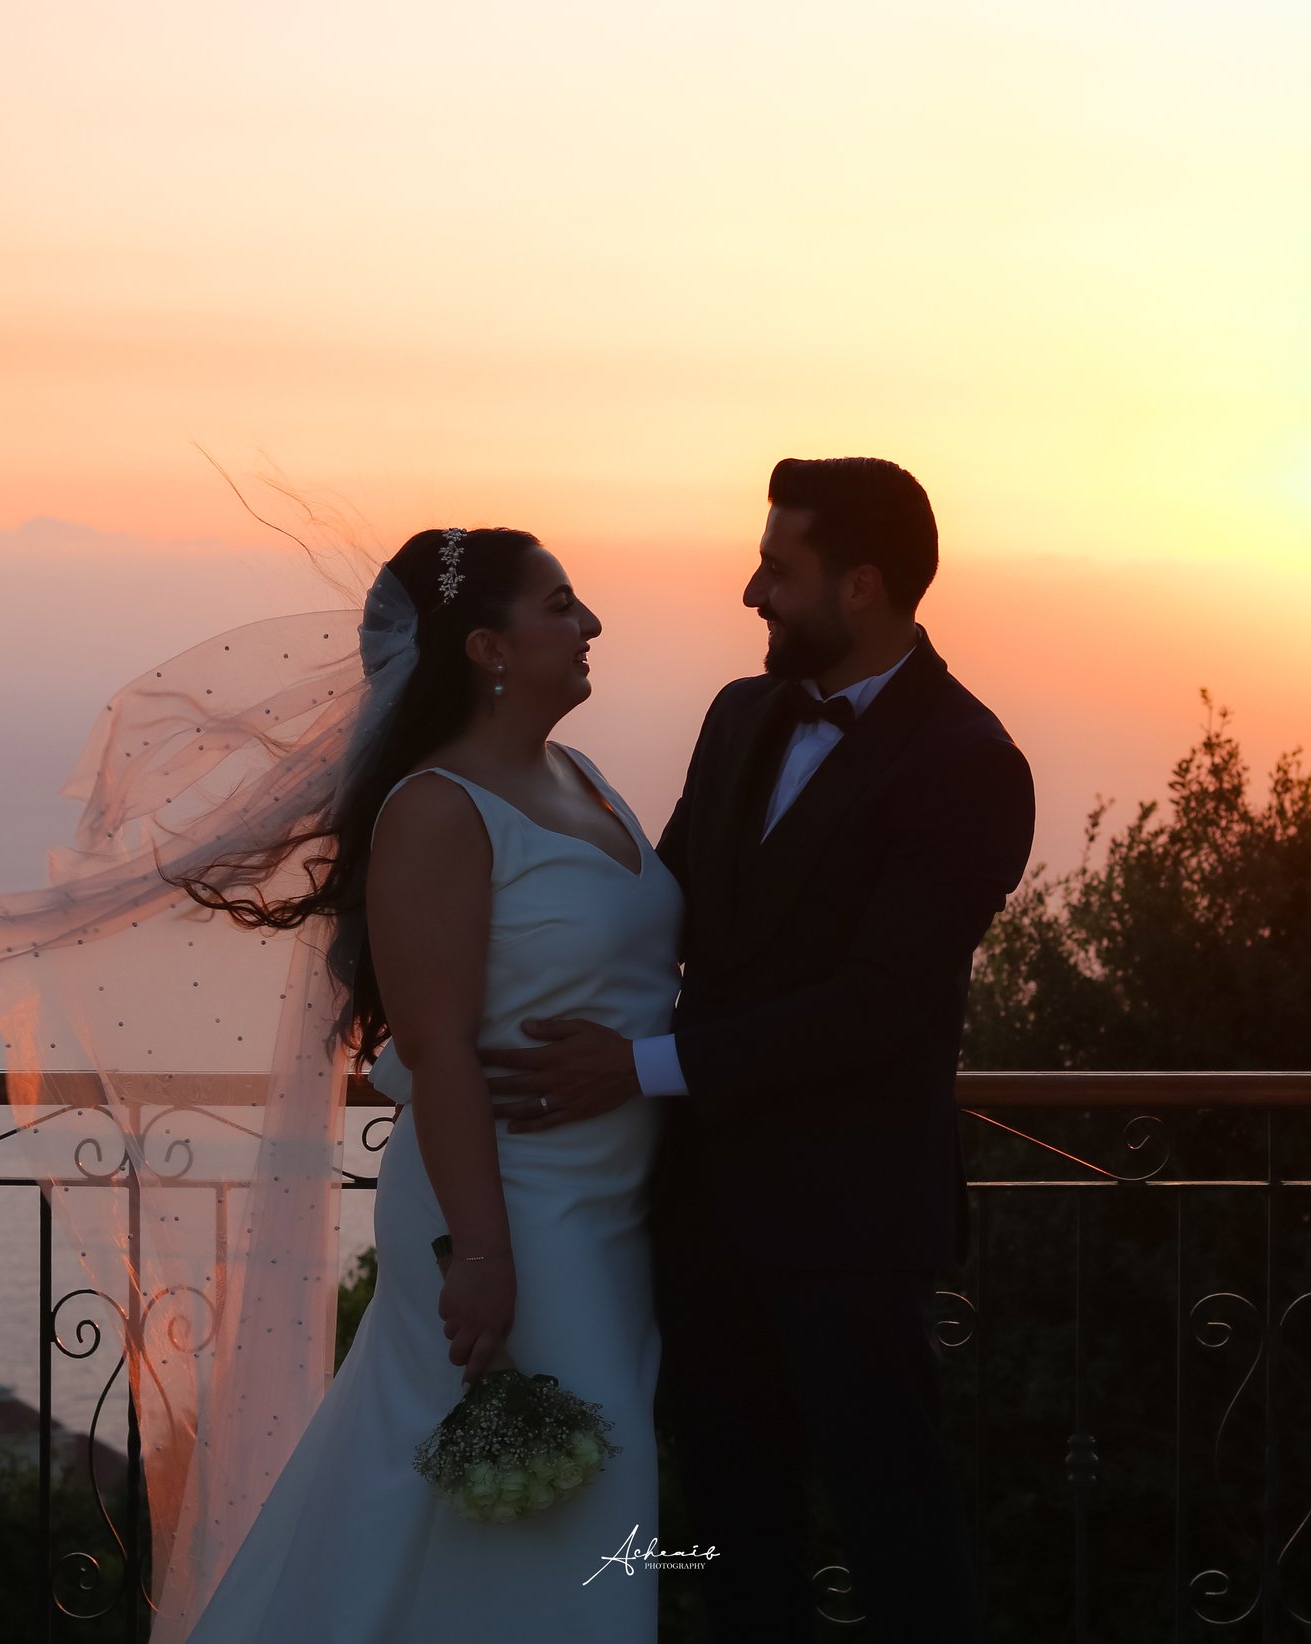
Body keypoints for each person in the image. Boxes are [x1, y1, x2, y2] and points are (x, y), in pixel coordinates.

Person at [485, 457, 1036, 1642]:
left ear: (867, 586)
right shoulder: (739, 715)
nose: (751, 590)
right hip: (701, 1215)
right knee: (739, 1550)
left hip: (850, 1233)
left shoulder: (970, 765)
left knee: (902, 1544)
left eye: (778, 569)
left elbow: (877, 1007)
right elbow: (659, 905)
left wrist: (632, 1068)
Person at [186, 525, 680, 1640]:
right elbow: (440, 1046)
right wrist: (485, 1257)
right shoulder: (436, 809)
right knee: (575, 1491)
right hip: (508, 1209)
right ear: (487, 648)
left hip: (609, 1208)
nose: (590, 622)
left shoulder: (578, 776)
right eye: (561, 603)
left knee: (500, 1501)